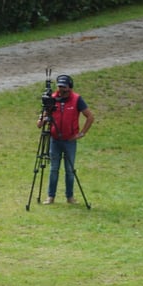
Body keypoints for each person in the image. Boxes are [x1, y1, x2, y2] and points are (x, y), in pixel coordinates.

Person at [37, 74, 94, 205]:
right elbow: (43, 116)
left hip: (69, 141)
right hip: (55, 139)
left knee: (69, 169)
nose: (61, 91)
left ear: (69, 88)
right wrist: (41, 120)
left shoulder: (77, 99)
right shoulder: (52, 98)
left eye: (64, 88)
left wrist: (81, 133)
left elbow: (90, 117)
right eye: (60, 87)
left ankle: (70, 196)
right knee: (53, 169)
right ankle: (50, 196)